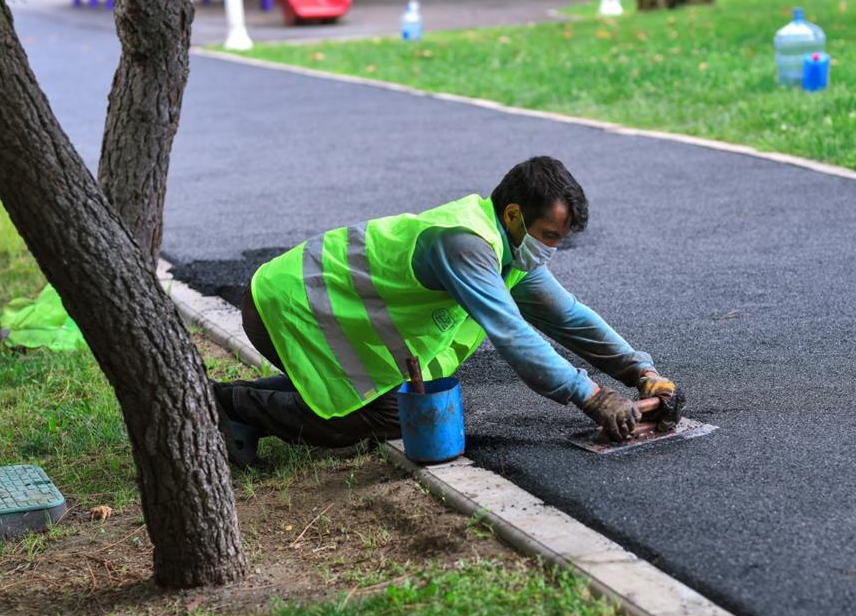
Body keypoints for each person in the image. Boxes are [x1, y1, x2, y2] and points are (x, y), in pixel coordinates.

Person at [213, 156, 680, 467]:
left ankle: (239, 403)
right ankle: (234, 407)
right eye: (550, 235)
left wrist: (641, 371)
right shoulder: (465, 244)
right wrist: (593, 397)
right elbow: (513, 335)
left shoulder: (511, 253)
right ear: (514, 214)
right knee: (392, 414)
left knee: (382, 396)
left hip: (322, 310)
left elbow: (569, 317)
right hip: (289, 305)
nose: (553, 248)